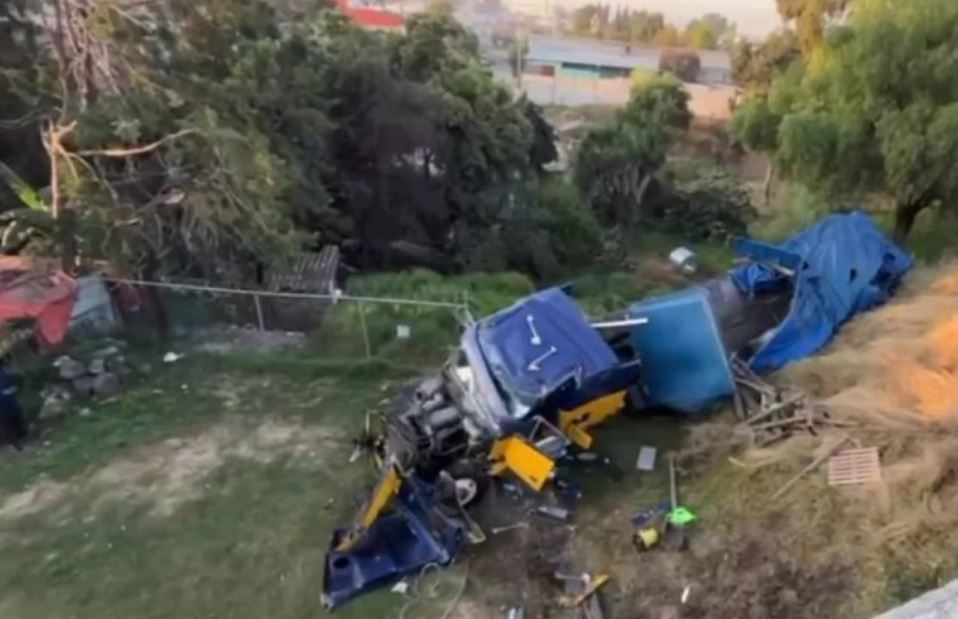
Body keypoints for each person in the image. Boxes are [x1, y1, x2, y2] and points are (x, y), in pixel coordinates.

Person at [0, 361, 27, 451]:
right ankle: (16, 442)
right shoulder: (4, 375)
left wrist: (12, 390)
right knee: (9, 424)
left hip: (11, 403)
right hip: (3, 406)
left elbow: (13, 384)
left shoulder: (5, 375)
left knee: (17, 420)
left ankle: (21, 438)